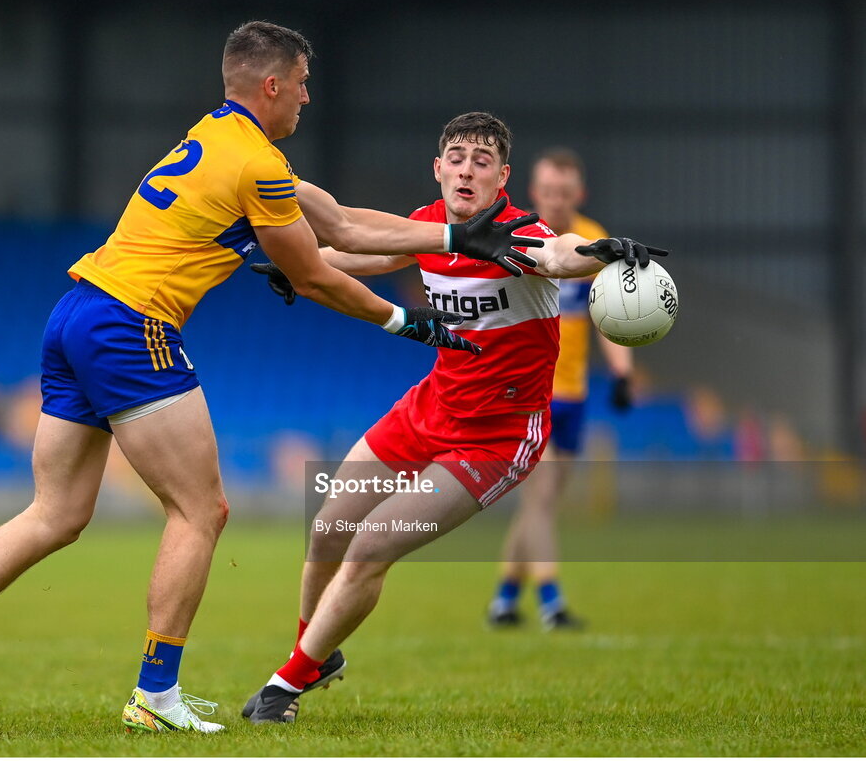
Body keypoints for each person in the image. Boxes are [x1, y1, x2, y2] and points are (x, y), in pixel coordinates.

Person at [0, 23, 540, 738]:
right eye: (300, 83)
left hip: (75, 312)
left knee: (57, 512)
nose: (306, 97)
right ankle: (154, 693)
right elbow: (314, 271)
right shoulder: (257, 164)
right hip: (131, 326)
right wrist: (402, 324)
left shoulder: (215, 137)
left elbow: (345, 225)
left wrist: (452, 236)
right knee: (201, 511)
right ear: (272, 86)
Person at [243, 112, 667, 723]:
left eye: (482, 160)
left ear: (503, 178)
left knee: (370, 545)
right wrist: (304, 268)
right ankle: (316, 652)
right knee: (329, 525)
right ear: (438, 168)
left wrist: (599, 254)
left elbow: (559, 254)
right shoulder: (427, 226)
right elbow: (371, 256)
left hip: (495, 437)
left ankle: (286, 685)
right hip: (427, 410)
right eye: (458, 156)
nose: (468, 169)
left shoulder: (520, 235)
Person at [487, 147, 634, 631]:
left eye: (563, 193)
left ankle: (506, 598)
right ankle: (552, 603)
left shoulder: (592, 243)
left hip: (573, 395)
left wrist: (622, 372)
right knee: (542, 499)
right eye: (547, 191)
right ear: (535, 191)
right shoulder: (517, 237)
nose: (554, 199)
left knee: (541, 504)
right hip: (532, 392)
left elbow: (609, 314)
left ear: (579, 193)